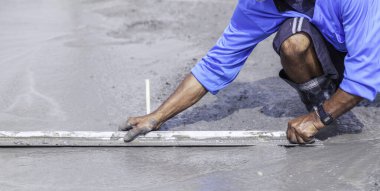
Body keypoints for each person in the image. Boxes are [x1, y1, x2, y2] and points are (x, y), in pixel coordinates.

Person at [119, 0, 380, 144]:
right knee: (293, 43)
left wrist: (315, 120)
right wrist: (157, 117)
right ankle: (325, 105)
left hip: (371, 47)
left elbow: (365, 74)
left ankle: (322, 116)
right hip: (343, 48)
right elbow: (217, 63)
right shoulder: (259, 2)